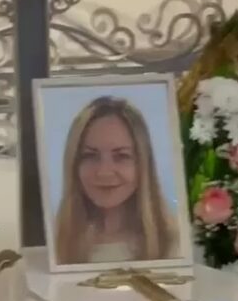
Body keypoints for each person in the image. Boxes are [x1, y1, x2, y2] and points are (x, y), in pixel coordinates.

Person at [54, 96, 179, 265]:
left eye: (121, 156)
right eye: (90, 155)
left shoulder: (175, 244)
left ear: (143, 164)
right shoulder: (53, 244)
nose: (104, 172)